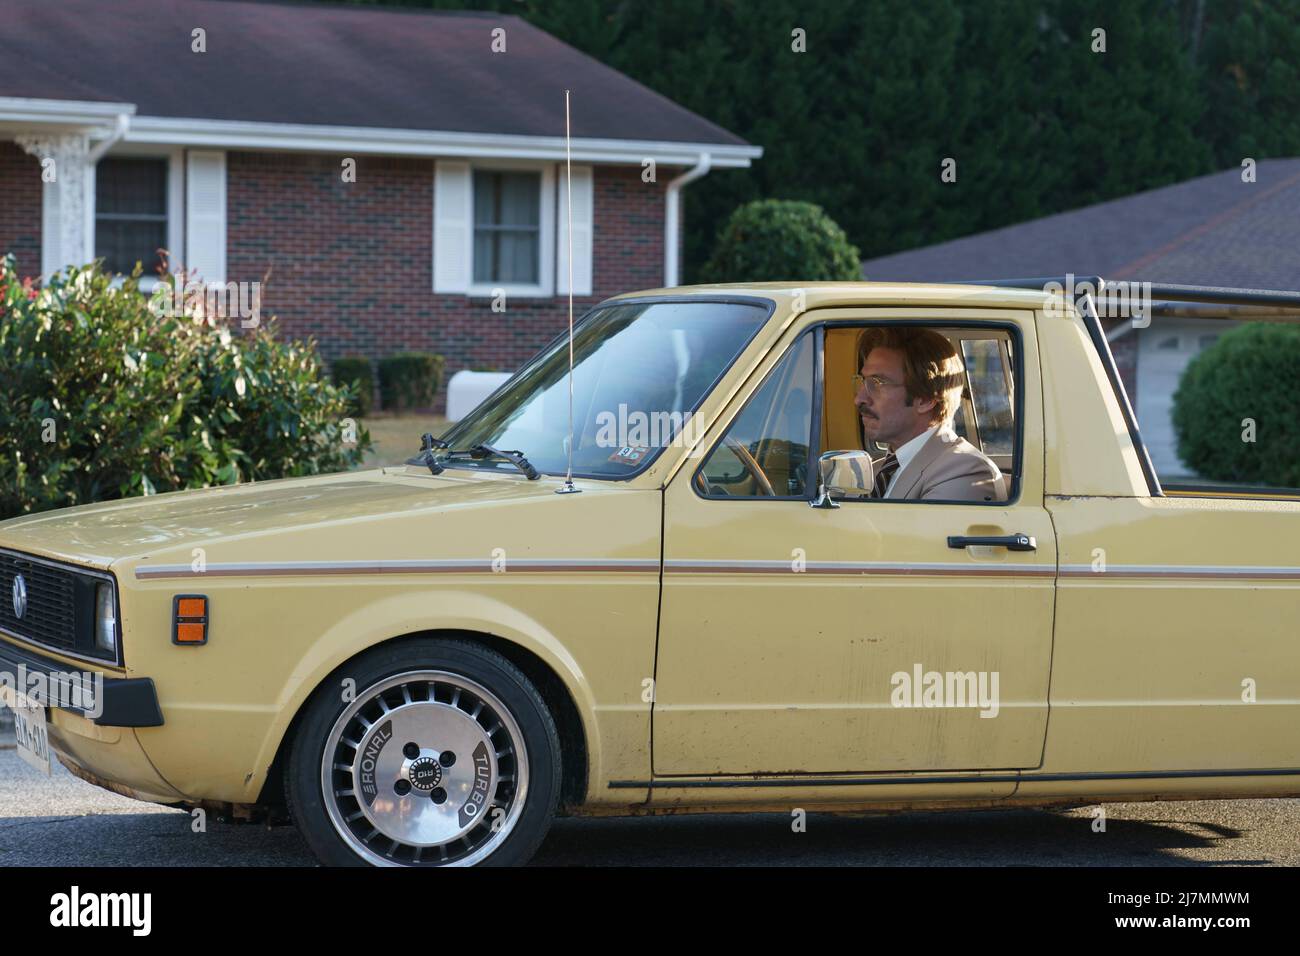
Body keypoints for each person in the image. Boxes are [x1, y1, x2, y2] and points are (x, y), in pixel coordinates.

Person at [854, 327, 1006, 502]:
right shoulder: (878, 470)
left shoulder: (964, 471)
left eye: (878, 383)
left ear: (925, 400)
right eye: (863, 381)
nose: (859, 399)